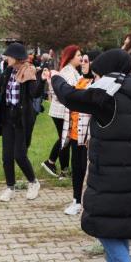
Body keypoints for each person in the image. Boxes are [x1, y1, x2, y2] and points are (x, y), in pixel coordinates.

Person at [45, 49, 131, 262]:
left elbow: (69, 97)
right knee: (118, 224)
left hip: (109, 172)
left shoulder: (106, 95)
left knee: (102, 224)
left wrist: (56, 77)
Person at [0, 42, 45, 202]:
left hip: (22, 119)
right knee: (6, 157)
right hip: (7, 119)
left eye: (9, 55)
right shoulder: (8, 72)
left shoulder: (29, 71)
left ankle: (33, 183)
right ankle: (10, 187)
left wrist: (43, 81)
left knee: (19, 155)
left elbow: (35, 93)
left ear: (17, 57)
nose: (6, 58)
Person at [63, 51, 101, 215]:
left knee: (88, 170)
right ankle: (76, 200)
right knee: (76, 168)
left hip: (87, 135)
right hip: (74, 133)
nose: (83, 63)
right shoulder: (79, 80)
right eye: (82, 60)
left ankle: (89, 203)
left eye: (86, 61)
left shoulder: (97, 84)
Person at [41, 45, 81, 179]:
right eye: (78, 56)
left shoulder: (71, 70)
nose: (81, 58)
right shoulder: (68, 71)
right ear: (71, 57)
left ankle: (55, 165)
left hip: (61, 110)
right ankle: (57, 167)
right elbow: (71, 90)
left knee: (65, 139)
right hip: (62, 111)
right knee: (65, 139)